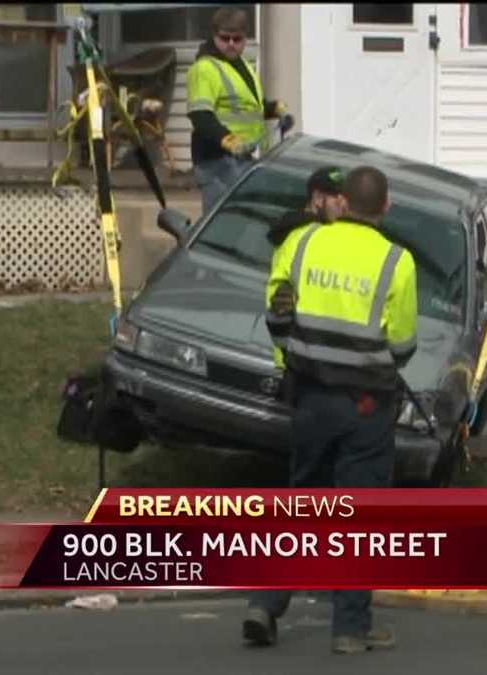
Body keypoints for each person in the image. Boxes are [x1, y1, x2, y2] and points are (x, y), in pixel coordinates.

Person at [252, 165, 418, 655]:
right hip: (365, 403)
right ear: (385, 208)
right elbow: (403, 344)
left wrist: (299, 356)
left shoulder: (303, 243)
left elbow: (277, 314)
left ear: (342, 202)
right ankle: (349, 628)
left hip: (310, 396)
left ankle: (265, 604)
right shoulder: (397, 261)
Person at [186, 7, 288, 215]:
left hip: (241, 157)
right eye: (225, 38)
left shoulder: (242, 65)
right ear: (214, 36)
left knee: (242, 218)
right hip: (216, 160)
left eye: (237, 39)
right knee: (222, 221)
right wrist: (227, 139)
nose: (231, 44)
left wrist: (272, 109)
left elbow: (245, 107)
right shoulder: (205, 68)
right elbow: (200, 115)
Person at [265, 166, 347, 247]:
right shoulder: (313, 238)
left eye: (347, 198)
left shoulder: (289, 227)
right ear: (318, 197)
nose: (344, 204)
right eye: (337, 198)